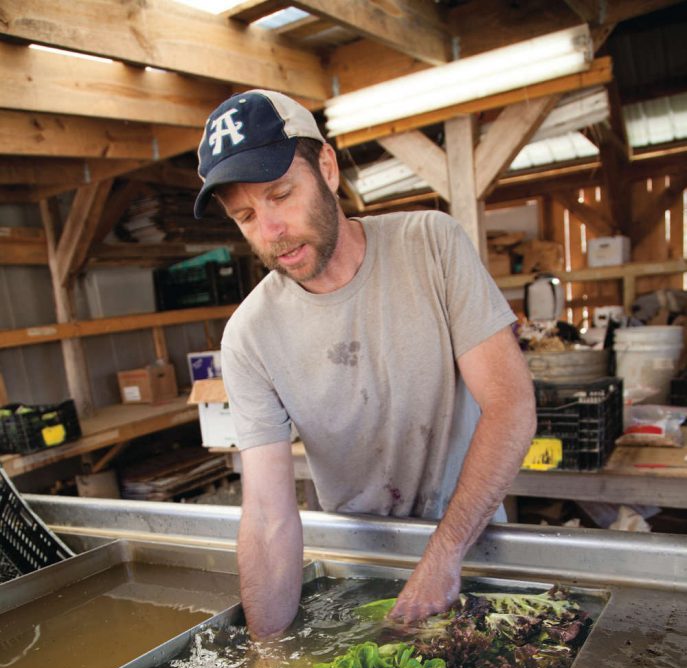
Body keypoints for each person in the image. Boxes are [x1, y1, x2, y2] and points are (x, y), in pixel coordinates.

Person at [194, 89, 537, 640]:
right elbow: (267, 519)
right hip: (359, 573)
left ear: (326, 167)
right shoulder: (249, 336)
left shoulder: (432, 245)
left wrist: (443, 555)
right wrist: (267, 663)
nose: (270, 231)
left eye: (281, 195)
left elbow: (511, 407)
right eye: (246, 216)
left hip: (470, 547)